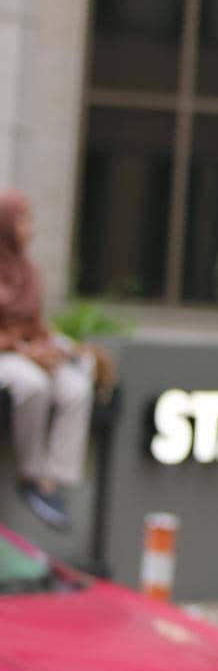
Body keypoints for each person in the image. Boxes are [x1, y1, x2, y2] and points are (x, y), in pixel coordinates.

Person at [0, 190, 95, 532]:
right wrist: (25, 350)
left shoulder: (29, 269)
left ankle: (52, 481)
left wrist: (52, 347)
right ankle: (29, 473)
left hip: (28, 349)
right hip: (6, 355)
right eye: (23, 220)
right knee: (32, 384)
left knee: (75, 386)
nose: (31, 228)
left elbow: (36, 324)